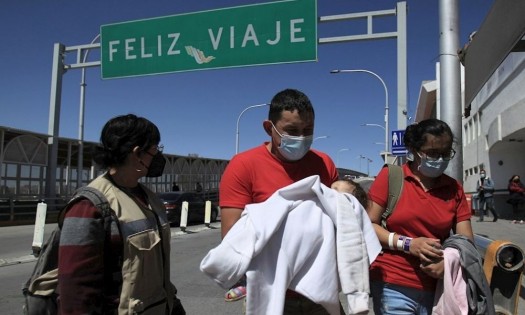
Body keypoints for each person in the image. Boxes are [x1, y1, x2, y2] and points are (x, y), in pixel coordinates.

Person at [219, 88, 339, 313]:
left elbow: (339, 220)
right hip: (272, 292)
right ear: (269, 128)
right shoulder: (243, 165)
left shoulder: (324, 164)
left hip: (321, 289)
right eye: (292, 130)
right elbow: (232, 234)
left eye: (308, 130)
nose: (301, 138)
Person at [58, 114, 185, 315]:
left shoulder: (150, 199)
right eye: (155, 149)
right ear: (137, 153)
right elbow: (76, 290)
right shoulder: (89, 206)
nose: (158, 155)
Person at [366, 118, 474, 315]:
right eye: (433, 153)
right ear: (415, 150)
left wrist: (448, 263)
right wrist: (408, 244)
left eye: (445, 153)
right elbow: (368, 225)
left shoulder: (454, 188)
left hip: (439, 289)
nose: (440, 159)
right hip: (393, 282)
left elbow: (466, 241)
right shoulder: (391, 177)